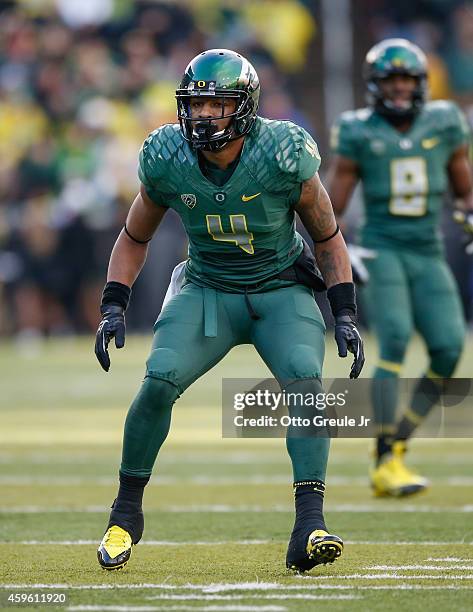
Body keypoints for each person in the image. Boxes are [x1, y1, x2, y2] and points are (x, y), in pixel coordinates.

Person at [94, 48, 364, 572]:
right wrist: (113, 303)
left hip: (279, 289)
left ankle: (310, 523)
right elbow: (133, 236)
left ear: (243, 107)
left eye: (217, 105)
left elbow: (327, 236)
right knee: (159, 379)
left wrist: (345, 310)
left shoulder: (283, 151)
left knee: (307, 383)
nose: (203, 116)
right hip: (207, 289)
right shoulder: (167, 155)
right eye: (196, 105)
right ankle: (125, 514)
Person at [327, 39, 473, 497]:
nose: (400, 89)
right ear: (375, 86)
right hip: (381, 247)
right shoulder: (358, 131)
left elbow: (464, 188)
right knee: (393, 339)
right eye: (391, 81)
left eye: (408, 80)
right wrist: (343, 249)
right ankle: (383, 457)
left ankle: (400, 441)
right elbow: (331, 206)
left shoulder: (446, 123)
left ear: (421, 84)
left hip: (427, 250)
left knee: (449, 350)